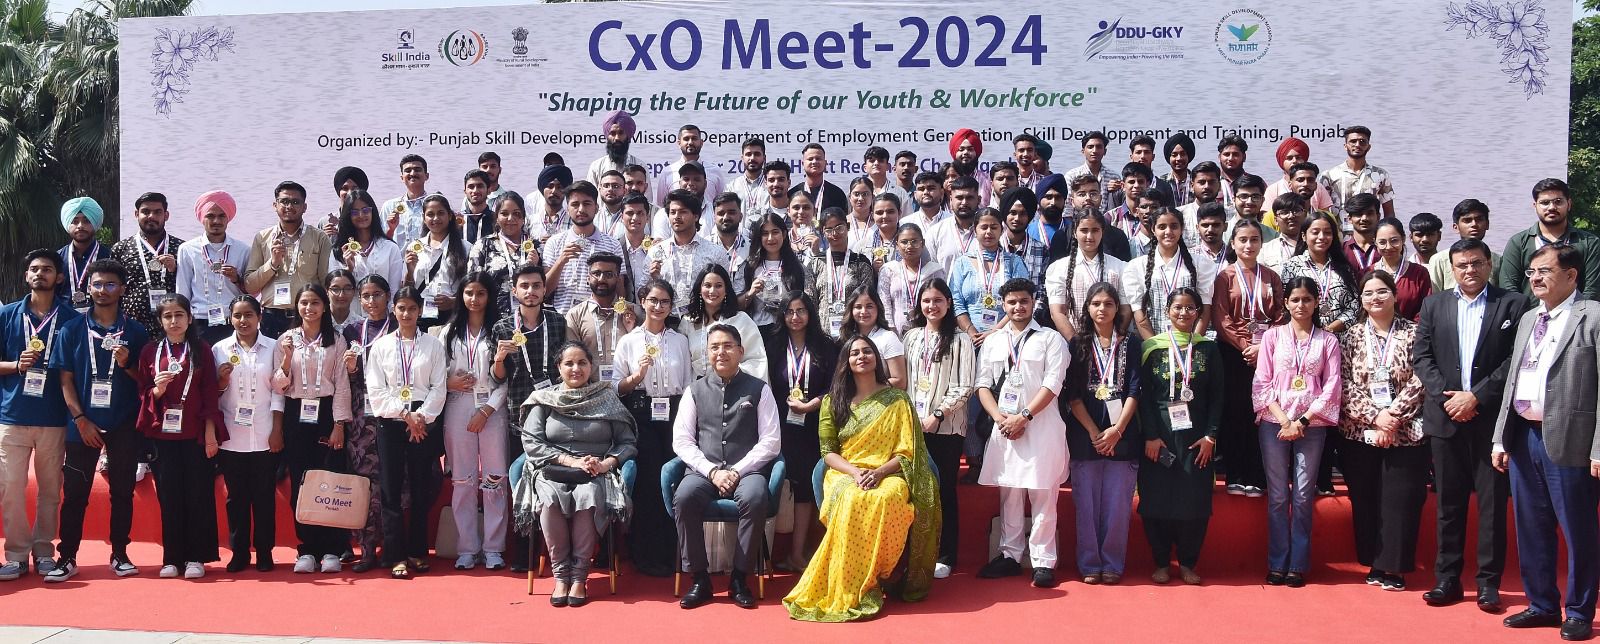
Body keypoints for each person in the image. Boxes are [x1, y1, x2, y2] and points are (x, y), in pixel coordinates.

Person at [783, 333, 939, 622]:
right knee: (853, 499)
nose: (861, 357)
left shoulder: (898, 400)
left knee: (886, 497)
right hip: (845, 471)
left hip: (889, 471)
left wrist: (879, 472)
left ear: (876, 358)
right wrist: (855, 472)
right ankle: (852, 586)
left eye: (867, 351)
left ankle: (876, 576)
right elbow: (828, 452)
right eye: (854, 353)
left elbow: (907, 451)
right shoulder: (833, 401)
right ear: (846, 361)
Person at [1491, 244, 1600, 639]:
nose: (1535, 278)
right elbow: (1513, 382)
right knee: (1532, 527)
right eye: (1531, 272)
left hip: (1572, 440)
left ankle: (1580, 611)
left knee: (1578, 530)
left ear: (1571, 276)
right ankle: (1542, 605)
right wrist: (1500, 438)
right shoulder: (1528, 318)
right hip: (1524, 438)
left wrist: (1599, 447)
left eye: (1545, 271)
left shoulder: (1593, 316)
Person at [1413, 238, 1528, 611]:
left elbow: (1515, 359)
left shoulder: (1512, 304)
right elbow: (1422, 357)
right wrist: (1448, 399)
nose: (1469, 270)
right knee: (1449, 504)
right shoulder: (1434, 305)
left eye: (1476, 263)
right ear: (1452, 268)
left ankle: (1488, 584)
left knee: (1492, 505)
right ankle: (1447, 579)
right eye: (1462, 265)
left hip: (1489, 420)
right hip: (1446, 418)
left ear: (1489, 264)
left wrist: (1476, 396)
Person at [517, 341, 637, 607]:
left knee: (588, 496)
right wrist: (570, 461)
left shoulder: (606, 398)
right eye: (569, 363)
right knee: (549, 499)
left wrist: (606, 464)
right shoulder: (543, 399)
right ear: (558, 368)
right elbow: (532, 443)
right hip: (552, 468)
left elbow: (627, 443)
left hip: (595, 471)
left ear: (591, 366)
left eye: (582, 363)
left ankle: (579, 578)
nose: (576, 369)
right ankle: (561, 577)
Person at [50, 259, 148, 582]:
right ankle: (67, 557)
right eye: (97, 284)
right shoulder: (72, 329)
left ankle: (120, 553)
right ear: (88, 288)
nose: (102, 290)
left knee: (122, 492)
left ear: (122, 289)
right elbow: (65, 380)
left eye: (110, 284)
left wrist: (128, 363)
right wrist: (80, 419)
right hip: (83, 425)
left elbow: (143, 381)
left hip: (123, 423)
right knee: (75, 493)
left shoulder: (135, 331)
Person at [672, 324, 782, 610]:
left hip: (747, 471)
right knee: (684, 497)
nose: (721, 352)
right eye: (714, 347)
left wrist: (736, 471)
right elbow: (682, 441)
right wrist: (711, 471)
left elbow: (771, 442)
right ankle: (700, 579)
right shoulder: (694, 390)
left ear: (740, 351)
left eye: (727, 346)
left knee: (755, 497)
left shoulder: (760, 389)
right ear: (707, 353)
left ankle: (739, 578)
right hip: (704, 471)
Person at [975, 278, 1069, 588]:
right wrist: (998, 417)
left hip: (1040, 426)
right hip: (1004, 426)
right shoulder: (993, 341)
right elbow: (982, 384)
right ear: (1003, 305)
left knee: (1043, 494)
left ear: (1033, 302)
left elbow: (1053, 384)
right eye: (1012, 302)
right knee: (1010, 493)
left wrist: (1024, 416)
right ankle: (1009, 555)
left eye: (1024, 301)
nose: (1018, 307)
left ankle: (1042, 561)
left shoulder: (1051, 339)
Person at [1339, 269, 1428, 591]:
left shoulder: (1415, 333)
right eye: (1368, 293)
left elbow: (1422, 378)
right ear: (1361, 300)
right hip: (1361, 431)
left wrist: (1393, 415)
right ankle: (1374, 562)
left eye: (1381, 291)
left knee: (1400, 500)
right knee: (1366, 498)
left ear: (1395, 294)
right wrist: (1376, 417)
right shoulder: (1350, 336)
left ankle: (1395, 567)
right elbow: (1342, 383)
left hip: (1405, 431)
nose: (1375, 298)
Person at [1252, 277, 1340, 587]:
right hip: (1274, 423)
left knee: (1302, 495)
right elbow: (1262, 381)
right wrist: (1283, 420)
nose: (1301, 305)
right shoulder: (1272, 337)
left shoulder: (1328, 341)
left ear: (1316, 303)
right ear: (1286, 303)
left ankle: (1297, 565)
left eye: (1307, 299)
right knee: (1278, 496)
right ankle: (1277, 562)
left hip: (1311, 425)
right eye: (1295, 299)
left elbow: (1332, 385)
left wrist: (1301, 422)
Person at [0, 249, 79, 581]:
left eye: (47, 269)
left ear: (58, 277)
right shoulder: (6, 315)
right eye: (34, 269)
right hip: (12, 416)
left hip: (53, 418)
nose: (39, 274)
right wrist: (15, 365)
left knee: (49, 490)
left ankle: (44, 551)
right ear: (26, 276)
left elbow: (76, 371)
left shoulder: (72, 319)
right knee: (10, 488)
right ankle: (16, 555)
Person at [1137, 287, 1222, 586]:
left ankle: (1187, 563)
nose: (1183, 313)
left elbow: (1218, 397)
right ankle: (1161, 562)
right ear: (1167, 311)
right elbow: (1144, 397)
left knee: (1194, 501)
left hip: (1197, 437)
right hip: (1159, 437)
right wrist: (1150, 436)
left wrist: (1211, 436)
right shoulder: (1152, 348)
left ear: (1198, 312)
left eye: (1190, 308)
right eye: (1177, 307)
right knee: (1155, 499)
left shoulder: (1209, 349)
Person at [136, 294, 224, 578]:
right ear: (160, 320)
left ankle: (197, 557)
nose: (174, 321)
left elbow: (210, 392)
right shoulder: (150, 351)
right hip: (163, 437)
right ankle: (172, 558)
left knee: (198, 495)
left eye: (179, 315)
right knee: (169, 496)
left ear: (189, 318)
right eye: (168, 316)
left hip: (195, 435)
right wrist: (157, 390)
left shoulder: (201, 349)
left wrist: (210, 434)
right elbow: (142, 391)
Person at [365, 286, 447, 579]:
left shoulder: (433, 346)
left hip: (423, 423)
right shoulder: (381, 346)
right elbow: (376, 389)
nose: (407, 314)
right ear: (394, 310)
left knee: (420, 487)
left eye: (412, 308)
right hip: (391, 421)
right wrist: (405, 415)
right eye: (401, 308)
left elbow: (439, 387)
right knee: (390, 489)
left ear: (420, 311)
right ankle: (394, 554)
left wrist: (420, 417)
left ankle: (417, 551)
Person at [1062, 283, 1141, 585]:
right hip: (1085, 437)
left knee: (1118, 507)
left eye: (1108, 303)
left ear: (1117, 308)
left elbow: (1135, 390)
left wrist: (1117, 430)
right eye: (1096, 303)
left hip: (1124, 435)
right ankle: (1089, 563)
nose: (1102, 309)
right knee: (1086, 506)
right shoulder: (1077, 344)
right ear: (1087, 308)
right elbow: (1073, 395)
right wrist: (1096, 432)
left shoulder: (1131, 343)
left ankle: (1112, 563)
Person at [271, 283, 353, 574]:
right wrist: (286, 358)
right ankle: (307, 549)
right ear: (297, 306)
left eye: (315, 302)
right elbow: (278, 385)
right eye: (304, 302)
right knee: (301, 482)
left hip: (326, 413)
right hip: (296, 414)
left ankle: (332, 548)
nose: (309, 308)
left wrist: (339, 425)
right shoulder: (285, 339)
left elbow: (342, 385)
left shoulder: (337, 340)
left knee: (329, 481)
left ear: (324, 306)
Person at [490, 265, 566, 571]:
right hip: (519, 414)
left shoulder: (558, 322)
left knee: (552, 482)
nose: (531, 291)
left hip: (555, 415)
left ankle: (556, 551)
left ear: (545, 289)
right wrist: (499, 358)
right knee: (522, 481)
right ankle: (524, 553)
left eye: (536, 285)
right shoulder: (503, 327)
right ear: (514, 290)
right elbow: (497, 377)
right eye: (525, 286)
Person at [614, 279, 691, 577]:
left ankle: (671, 552)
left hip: (674, 413)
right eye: (653, 300)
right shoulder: (629, 341)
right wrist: (637, 376)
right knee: (648, 480)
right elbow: (616, 386)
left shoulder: (680, 340)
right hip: (641, 412)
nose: (658, 307)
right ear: (642, 301)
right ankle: (644, 554)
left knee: (672, 480)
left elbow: (688, 384)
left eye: (665, 302)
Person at [437, 274, 509, 570]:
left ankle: (493, 548)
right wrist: (448, 383)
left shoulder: (500, 329)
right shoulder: (448, 332)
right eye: (469, 293)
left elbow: (509, 378)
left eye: (480, 293)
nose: (474, 299)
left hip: (492, 408)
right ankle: (467, 547)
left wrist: (487, 410)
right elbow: (434, 374)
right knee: (463, 480)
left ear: (489, 296)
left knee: (495, 478)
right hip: (457, 406)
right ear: (461, 295)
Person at [767, 292, 839, 572]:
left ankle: (799, 554)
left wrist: (812, 405)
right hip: (780, 424)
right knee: (781, 482)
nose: (795, 317)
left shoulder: (825, 346)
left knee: (807, 487)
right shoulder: (773, 345)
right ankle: (769, 554)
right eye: (789, 311)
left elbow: (835, 386)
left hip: (814, 425)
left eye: (801, 311)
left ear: (810, 313)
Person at [1212, 220, 1284, 498]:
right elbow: (1221, 318)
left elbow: (1281, 315)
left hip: (1267, 353)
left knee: (1261, 413)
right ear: (1233, 243)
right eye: (1242, 240)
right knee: (1235, 412)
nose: (1248, 245)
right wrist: (1246, 346)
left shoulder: (1271, 276)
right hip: (1234, 353)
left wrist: (1262, 346)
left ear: (1261, 243)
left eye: (1254, 239)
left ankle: (1257, 475)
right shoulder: (1225, 277)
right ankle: (1236, 474)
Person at [212, 295, 283, 573]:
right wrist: (221, 381)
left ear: (259, 317)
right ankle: (239, 552)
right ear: (230, 318)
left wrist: (277, 430)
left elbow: (279, 391)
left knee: (264, 497)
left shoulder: (274, 347)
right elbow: (214, 395)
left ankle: (265, 552)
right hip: (232, 436)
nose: (243, 321)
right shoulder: (219, 349)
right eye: (238, 315)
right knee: (236, 499)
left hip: (265, 433)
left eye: (249, 315)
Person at [339, 274, 394, 572]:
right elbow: (347, 379)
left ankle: (392, 547)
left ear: (388, 296)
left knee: (393, 479)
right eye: (366, 296)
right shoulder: (352, 330)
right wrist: (350, 369)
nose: (371, 301)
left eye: (377, 295)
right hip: (362, 414)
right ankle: (367, 548)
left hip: (392, 410)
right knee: (363, 480)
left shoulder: (399, 325)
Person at [244, 182, 333, 337]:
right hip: (271, 318)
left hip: (306, 316)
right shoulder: (262, 238)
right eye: (284, 201)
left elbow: (326, 282)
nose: (289, 206)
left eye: (295, 202)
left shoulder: (319, 238)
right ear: (275, 205)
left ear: (304, 207)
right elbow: (250, 286)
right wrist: (272, 264)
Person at [1496, 178, 1600, 300]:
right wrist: (1526, 312)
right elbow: (1509, 288)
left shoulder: (1589, 243)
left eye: (1558, 202)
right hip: (1529, 311)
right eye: (1545, 203)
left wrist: (1578, 312)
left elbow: (1592, 290)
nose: (1551, 207)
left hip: (1576, 311)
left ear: (1569, 204)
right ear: (1535, 206)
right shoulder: (1518, 242)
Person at [1122, 208, 1217, 339]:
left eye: (1174, 226)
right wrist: (1156, 346)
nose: (1168, 232)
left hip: (1192, 343)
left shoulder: (1201, 264)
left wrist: (1192, 343)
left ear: (1182, 228)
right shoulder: (1137, 267)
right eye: (1162, 227)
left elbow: (1204, 311)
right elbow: (1140, 315)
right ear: (1153, 230)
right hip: (1153, 342)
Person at [174, 191, 248, 343]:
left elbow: (250, 291)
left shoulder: (243, 249)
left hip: (232, 321)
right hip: (199, 321)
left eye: (221, 216)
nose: (216, 221)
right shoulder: (187, 249)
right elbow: (182, 291)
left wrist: (236, 279)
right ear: (202, 218)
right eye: (210, 216)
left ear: (228, 218)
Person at [543, 181, 626, 313]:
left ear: (596, 208)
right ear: (567, 209)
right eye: (575, 204)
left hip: (601, 317)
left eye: (586, 204)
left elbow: (619, 287)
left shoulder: (612, 244)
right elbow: (544, 291)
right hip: (563, 317)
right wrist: (561, 261)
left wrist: (621, 314)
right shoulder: (554, 242)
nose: (581, 209)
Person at [950, 208, 1029, 345]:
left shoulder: (1014, 262)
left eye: (994, 227)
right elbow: (956, 302)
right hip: (969, 338)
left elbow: (1021, 301)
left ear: (1002, 230)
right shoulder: (962, 263)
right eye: (984, 227)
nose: (989, 232)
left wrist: (994, 332)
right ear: (975, 231)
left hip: (1007, 336)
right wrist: (971, 332)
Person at [1046, 212, 1127, 339]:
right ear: (1074, 232)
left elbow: (1125, 309)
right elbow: (1057, 312)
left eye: (1095, 230)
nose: (1089, 236)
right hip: (1073, 341)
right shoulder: (1059, 268)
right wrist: (1076, 343)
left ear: (1102, 232)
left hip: (1112, 342)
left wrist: (1113, 340)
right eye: (1084, 230)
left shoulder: (1120, 267)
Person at [678, 264, 768, 380]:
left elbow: (757, 360)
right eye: (707, 285)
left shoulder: (741, 320)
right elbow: (682, 363)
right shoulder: (688, 322)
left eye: (718, 286)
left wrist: (726, 376)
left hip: (733, 385)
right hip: (697, 387)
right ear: (700, 289)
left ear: (726, 290)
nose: (712, 291)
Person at [563, 253, 641, 385]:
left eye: (609, 274)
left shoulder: (635, 312)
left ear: (618, 279)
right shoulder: (575, 315)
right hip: (589, 390)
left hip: (629, 388)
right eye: (596, 273)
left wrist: (632, 332)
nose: (601, 279)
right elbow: (573, 358)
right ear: (588, 278)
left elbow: (642, 353)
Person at [112, 192, 184, 333]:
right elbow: (114, 287)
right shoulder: (121, 248)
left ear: (166, 215)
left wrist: (176, 269)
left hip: (172, 326)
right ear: (136, 214)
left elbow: (191, 285)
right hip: (132, 325)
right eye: (145, 212)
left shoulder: (182, 248)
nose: (151, 216)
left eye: (157, 212)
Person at [647, 190, 726, 316]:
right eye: (672, 212)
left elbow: (726, 291)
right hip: (665, 320)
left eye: (683, 212)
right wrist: (654, 279)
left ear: (696, 216)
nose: (677, 217)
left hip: (703, 319)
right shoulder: (656, 251)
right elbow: (642, 290)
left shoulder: (715, 252)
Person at [468, 192, 542, 317]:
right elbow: (472, 284)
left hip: (529, 317)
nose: (510, 218)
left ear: (523, 218)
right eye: (504, 213)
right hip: (492, 317)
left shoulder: (536, 247)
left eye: (516, 214)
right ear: (497, 217)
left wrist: (535, 267)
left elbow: (546, 287)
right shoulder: (483, 245)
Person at [806, 208, 875, 338]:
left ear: (847, 227)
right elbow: (810, 301)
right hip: (822, 336)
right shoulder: (816, 263)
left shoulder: (860, 262)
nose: (835, 233)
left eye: (839, 228)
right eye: (829, 230)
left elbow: (867, 299)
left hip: (854, 334)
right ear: (822, 232)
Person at [404, 194, 468, 328]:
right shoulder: (415, 247)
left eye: (440, 213)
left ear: (449, 216)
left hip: (453, 315)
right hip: (421, 313)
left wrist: (453, 301)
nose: (435, 218)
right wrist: (409, 272)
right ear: (423, 218)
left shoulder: (466, 248)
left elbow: (473, 286)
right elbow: (407, 288)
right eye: (430, 214)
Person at [739, 213, 806, 334]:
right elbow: (736, 306)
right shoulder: (750, 266)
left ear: (784, 234)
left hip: (788, 329)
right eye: (765, 233)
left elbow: (804, 301)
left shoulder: (796, 267)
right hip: (757, 330)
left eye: (775, 232)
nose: (770, 238)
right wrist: (750, 293)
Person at [331, 189, 406, 292]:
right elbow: (334, 291)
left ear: (373, 212)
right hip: (351, 303)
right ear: (348, 216)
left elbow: (394, 290)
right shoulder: (338, 250)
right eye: (355, 212)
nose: (361, 215)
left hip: (384, 303)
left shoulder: (390, 248)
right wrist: (348, 270)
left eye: (365, 210)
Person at [879, 224, 945, 335]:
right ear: (897, 245)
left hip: (929, 330)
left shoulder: (935, 271)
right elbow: (884, 302)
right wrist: (890, 329)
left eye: (914, 241)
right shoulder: (889, 270)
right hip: (895, 332)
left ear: (922, 243)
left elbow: (941, 302)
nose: (909, 246)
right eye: (904, 242)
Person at [1320, 126, 1396, 221]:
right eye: (1353, 141)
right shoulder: (1329, 175)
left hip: (1368, 229)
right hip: (1338, 229)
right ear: (1345, 146)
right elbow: (1321, 212)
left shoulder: (1380, 175)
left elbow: (1389, 213)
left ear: (1368, 147)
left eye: (1362, 141)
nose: (1357, 145)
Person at [839, 286, 907, 388]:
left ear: (878, 308)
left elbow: (900, 381)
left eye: (869, 306)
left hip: (882, 397)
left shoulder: (888, 338)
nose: (864, 311)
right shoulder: (846, 338)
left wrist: (869, 390)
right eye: (858, 307)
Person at [1428, 199, 1501, 292]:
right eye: (1467, 220)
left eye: (1479, 219)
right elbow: (1434, 297)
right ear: (1456, 227)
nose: (1474, 224)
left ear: (1487, 224)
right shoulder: (1440, 260)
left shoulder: (1497, 260)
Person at [58, 197, 113, 314]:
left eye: (87, 221)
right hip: (64, 321)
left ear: (95, 223)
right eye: (75, 221)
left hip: (101, 320)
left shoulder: (110, 257)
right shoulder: (57, 258)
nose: (80, 226)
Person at [1371, 218, 1432, 320]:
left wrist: (1407, 328)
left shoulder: (1419, 273)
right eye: (1382, 242)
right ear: (1375, 242)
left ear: (1403, 239)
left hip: (1411, 329)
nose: (1388, 247)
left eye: (1394, 241)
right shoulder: (1367, 273)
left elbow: (1425, 310)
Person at [653, 124, 725, 206]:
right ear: (679, 143)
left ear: (701, 143)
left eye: (694, 138)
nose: (690, 142)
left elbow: (722, 204)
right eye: (686, 139)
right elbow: (662, 205)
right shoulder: (668, 172)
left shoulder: (715, 171)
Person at [381, 155, 440, 249]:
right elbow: (381, 241)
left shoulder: (437, 205)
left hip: (429, 257)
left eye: (417, 170)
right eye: (408, 170)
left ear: (426, 176)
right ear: (402, 177)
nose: (412, 173)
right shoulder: (389, 206)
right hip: (397, 258)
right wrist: (390, 229)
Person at [1263, 137, 1333, 212]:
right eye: (1289, 158)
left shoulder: (1318, 188)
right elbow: (1267, 217)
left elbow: (1326, 215)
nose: (1294, 161)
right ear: (1282, 161)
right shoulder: (1273, 190)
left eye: (1298, 157)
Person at [587, 110, 642, 187]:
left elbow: (647, 194)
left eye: (621, 133)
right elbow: (590, 194)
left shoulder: (640, 165)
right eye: (612, 133)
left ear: (628, 136)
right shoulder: (596, 167)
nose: (617, 138)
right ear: (607, 136)